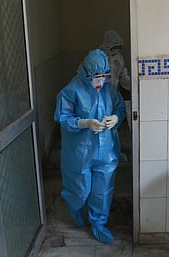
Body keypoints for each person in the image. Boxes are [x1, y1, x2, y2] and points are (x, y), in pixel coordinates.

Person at [54, 49, 126, 243]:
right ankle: (75, 208)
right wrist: (85, 123)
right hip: (80, 152)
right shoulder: (71, 90)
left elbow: (120, 107)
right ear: (85, 72)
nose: (100, 80)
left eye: (104, 75)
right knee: (79, 190)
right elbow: (63, 117)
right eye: (96, 75)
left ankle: (98, 223)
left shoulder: (108, 89)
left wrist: (116, 117)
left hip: (106, 151)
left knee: (102, 191)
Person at [99, 30, 131, 162]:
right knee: (100, 126)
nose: (115, 51)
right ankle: (102, 155)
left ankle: (113, 153)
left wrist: (134, 87)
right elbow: (85, 74)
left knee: (112, 126)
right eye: (113, 47)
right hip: (98, 98)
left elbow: (123, 76)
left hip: (112, 96)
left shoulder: (118, 58)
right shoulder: (98, 56)